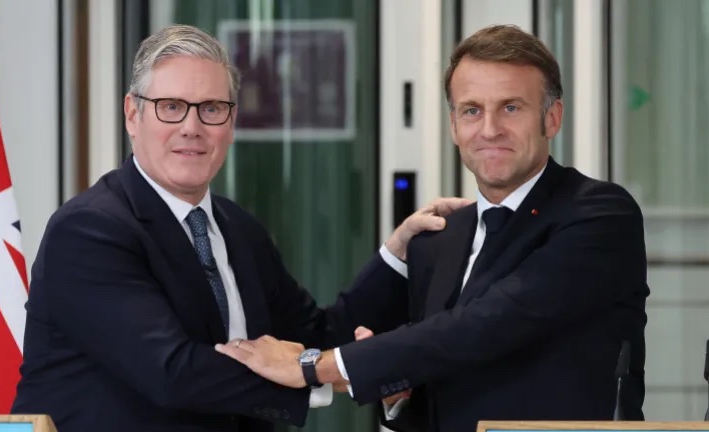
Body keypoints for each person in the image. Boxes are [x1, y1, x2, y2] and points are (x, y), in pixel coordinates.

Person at [9, 24, 469, 432]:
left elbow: (317, 334)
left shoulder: (235, 227)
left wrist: (397, 255)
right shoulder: (89, 231)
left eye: (211, 108)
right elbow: (172, 373)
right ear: (133, 114)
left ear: (231, 122)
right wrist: (320, 373)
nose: (192, 127)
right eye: (171, 106)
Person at [215, 24, 650, 432]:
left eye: (511, 107)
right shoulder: (440, 241)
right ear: (454, 126)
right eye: (472, 110)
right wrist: (399, 397)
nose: (490, 129)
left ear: (552, 118)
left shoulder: (599, 215)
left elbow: (486, 324)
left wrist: (316, 366)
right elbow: (439, 384)